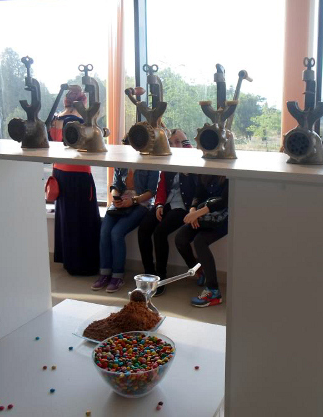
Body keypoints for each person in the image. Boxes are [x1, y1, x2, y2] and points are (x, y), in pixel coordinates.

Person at [91, 143, 159, 293]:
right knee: (104, 232)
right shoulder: (121, 161)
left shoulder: (151, 162)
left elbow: (151, 192)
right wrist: (116, 197)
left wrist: (133, 201)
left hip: (141, 203)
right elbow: (115, 185)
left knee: (117, 233)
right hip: (121, 202)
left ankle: (117, 276)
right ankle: (104, 273)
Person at [137, 129, 196, 296]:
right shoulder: (168, 158)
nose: (175, 146)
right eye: (171, 143)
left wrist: (186, 146)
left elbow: (198, 186)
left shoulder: (192, 158)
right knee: (144, 229)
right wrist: (159, 205)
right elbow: (161, 185)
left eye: (179, 142)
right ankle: (148, 273)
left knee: (160, 233)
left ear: (186, 143)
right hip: (167, 203)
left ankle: (160, 277)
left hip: (183, 206)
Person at [49, 85, 101, 276]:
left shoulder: (56, 118)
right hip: (78, 171)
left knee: (66, 217)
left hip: (59, 171)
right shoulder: (79, 121)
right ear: (83, 102)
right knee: (83, 217)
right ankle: (84, 263)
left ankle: (69, 261)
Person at [175, 175, 228, 307]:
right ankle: (199, 271)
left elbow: (224, 201)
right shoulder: (205, 173)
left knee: (199, 241)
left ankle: (214, 292)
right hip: (204, 216)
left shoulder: (228, 175)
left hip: (223, 219)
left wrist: (198, 213)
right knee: (180, 238)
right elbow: (198, 195)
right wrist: (193, 210)